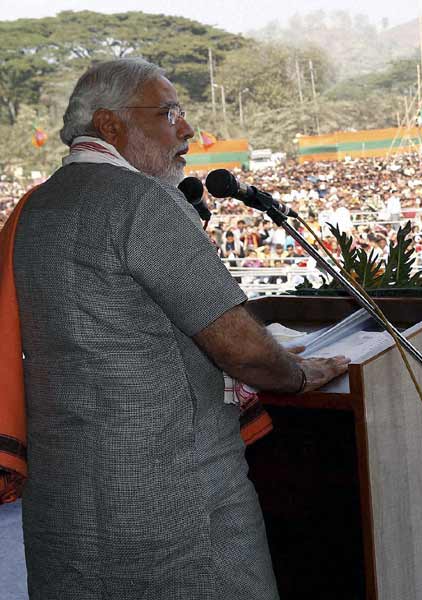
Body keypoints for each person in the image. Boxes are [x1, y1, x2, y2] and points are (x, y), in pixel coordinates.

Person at [9, 59, 350, 599]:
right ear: (111, 126)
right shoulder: (143, 202)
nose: (187, 129)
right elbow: (243, 350)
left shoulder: (35, 208)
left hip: (66, 503)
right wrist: (301, 374)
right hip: (175, 504)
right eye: (170, 113)